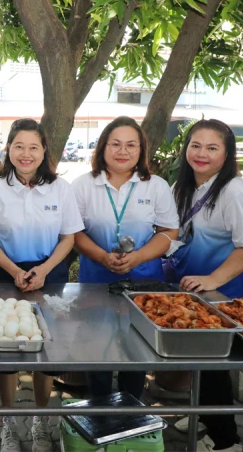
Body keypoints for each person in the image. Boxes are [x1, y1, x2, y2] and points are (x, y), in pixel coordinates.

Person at [0, 119, 83, 452]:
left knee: (46, 352)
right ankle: (9, 423)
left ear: (44, 152)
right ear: (8, 148)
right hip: (6, 274)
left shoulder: (61, 189)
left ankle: (40, 419)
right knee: (5, 351)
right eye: (18, 146)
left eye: (33, 147)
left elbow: (68, 238)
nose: (25, 154)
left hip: (49, 273)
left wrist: (44, 269)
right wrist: (13, 271)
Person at [169, 119, 243, 452]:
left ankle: (227, 440)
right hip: (195, 289)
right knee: (200, 359)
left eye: (212, 148)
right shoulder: (183, 187)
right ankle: (204, 415)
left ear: (227, 154)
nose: (201, 154)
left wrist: (213, 280)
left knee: (215, 365)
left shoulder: (235, 191)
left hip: (228, 290)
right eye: (195, 145)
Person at [72, 116, 179, 401]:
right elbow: (74, 232)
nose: (123, 151)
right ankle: (100, 413)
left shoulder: (155, 186)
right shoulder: (83, 185)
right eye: (116, 144)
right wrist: (102, 256)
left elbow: (169, 230)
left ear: (142, 150)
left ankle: (131, 412)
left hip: (145, 283)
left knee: (137, 351)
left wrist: (139, 257)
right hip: (96, 281)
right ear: (103, 147)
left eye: (131, 145)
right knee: (96, 352)